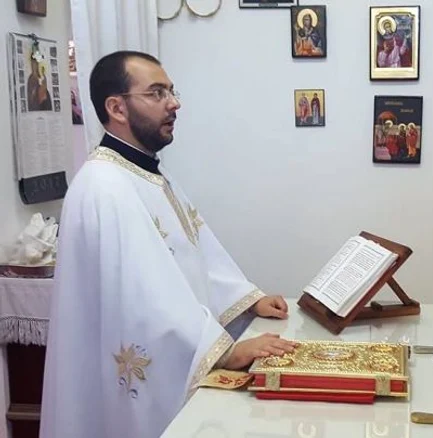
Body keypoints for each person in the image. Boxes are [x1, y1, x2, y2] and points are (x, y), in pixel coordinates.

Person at [40, 51, 298, 438]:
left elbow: (193, 253)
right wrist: (225, 351)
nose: (174, 103)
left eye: (171, 91)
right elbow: (145, 295)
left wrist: (246, 299)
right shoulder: (105, 186)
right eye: (157, 93)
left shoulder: (146, 174)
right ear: (117, 108)